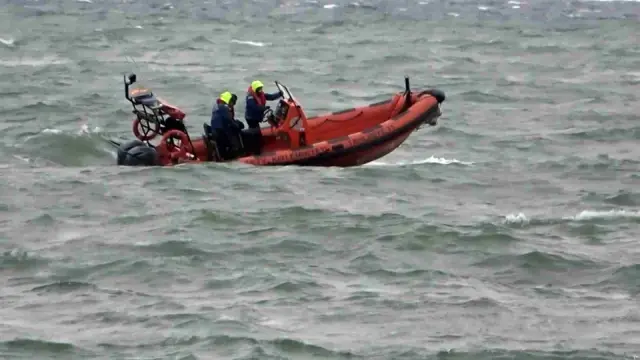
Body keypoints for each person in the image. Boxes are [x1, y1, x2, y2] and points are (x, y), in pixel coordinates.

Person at [210, 91, 241, 159]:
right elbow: (229, 120)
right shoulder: (224, 108)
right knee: (234, 145)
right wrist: (237, 125)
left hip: (215, 131)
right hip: (220, 133)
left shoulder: (216, 106)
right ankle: (232, 158)